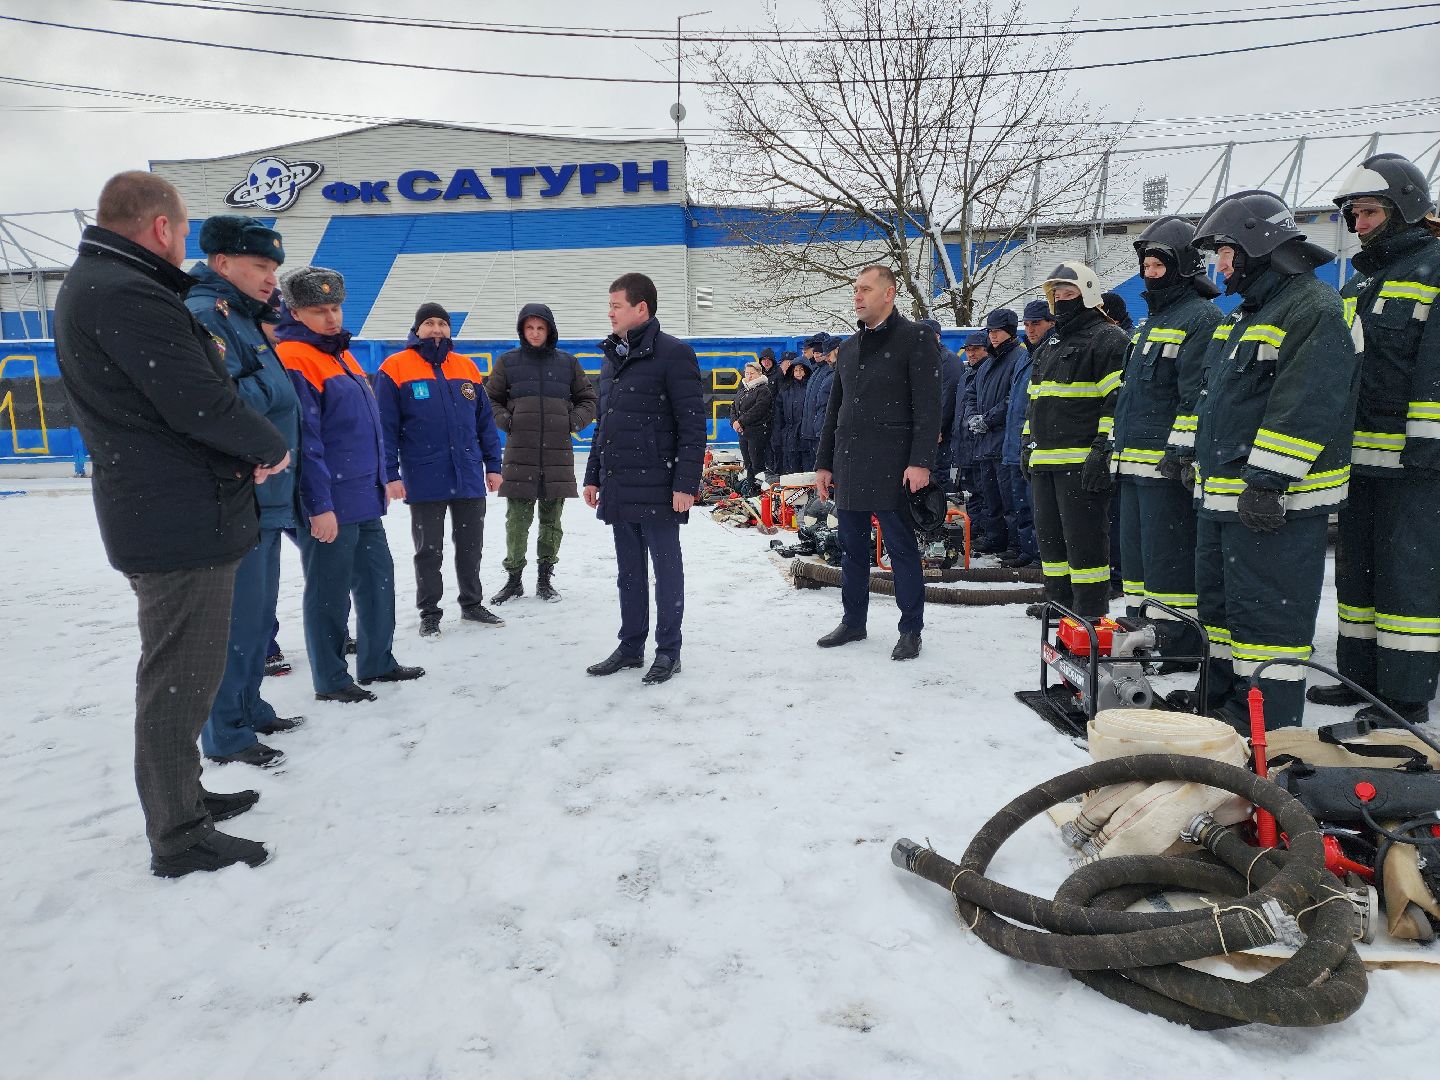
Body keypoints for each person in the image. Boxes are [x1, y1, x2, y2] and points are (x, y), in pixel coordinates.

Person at [54, 171, 290, 877]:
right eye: (183, 231)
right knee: (178, 680)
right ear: (161, 228)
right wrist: (268, 447)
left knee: (187, 673)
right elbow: (199, 403)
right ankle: (179, 834)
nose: (184, 242)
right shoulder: (126, 293)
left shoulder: (102, 284)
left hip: (170, 506)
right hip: (175, 517)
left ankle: (183, 797)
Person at [1190, 189, 1361, 730]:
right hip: (1227, 497)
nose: (1220, 266)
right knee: (1221, 615)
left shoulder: (1313, 308)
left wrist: (1268, 480)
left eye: (1225, 252)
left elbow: (1306, 404)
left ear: (1257, 246)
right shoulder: (1251, 313)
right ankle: (1222, 701)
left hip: (1275, 501)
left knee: (1268, 618)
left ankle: (1268, 719)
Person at [1307, 155, 1440, 727]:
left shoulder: (1435, 271)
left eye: (1367, 212)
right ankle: (1361, 675)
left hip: (1415, 464)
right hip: (1358, 458)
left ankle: (1406, 696)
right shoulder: (1362, 281)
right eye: (1354, 214)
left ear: (1404, 208)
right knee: (1357, 572)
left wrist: (1428, 447)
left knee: (1406, 578)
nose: (1357, 225)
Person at [275, 266, 425, 703]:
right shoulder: (294, 358)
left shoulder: (341, 354)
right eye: (319, 311)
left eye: (336, 308)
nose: (331, 318)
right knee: (328, 592)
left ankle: (377, 660)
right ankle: (331, 678)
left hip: (363, 495)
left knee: (378, 581)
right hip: (331, 503)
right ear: (295, 312)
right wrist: (318, 504)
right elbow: (306, 441)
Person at [187, 215, 305, 769]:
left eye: (273, 268)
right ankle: (226, 732)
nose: (269, 278)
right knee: (236, 620)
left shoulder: (248, 318)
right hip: (242, 492)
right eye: (259, 266)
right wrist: (275, 384)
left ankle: (250, 706)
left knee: (258, 616)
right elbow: (221, 400)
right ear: (222, 263)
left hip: (268, 492)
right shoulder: (210, 314)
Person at [583, 272, 705, 685]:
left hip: (659, 485)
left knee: (666, 571)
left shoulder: (674, 354)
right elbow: (606, 422)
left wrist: (686, 484)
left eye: (616, 305)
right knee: (629, 573)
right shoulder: (612, 357)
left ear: (641, 309)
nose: (610, 312)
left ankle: (668, 651)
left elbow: (692, 426)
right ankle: (631, 645)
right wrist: (593, 474)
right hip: (619, 485)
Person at [815, 265, 941, 661]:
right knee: (851, 549)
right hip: (850, 464)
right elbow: (835, 411)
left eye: (866, 289)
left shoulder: (914, 338)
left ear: (889, 293)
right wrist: (824, 464)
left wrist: (920, 461)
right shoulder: (849, 348)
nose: (858, 295)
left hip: (894, 465)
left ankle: (910, 629)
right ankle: (853, 622)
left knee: (901, 550)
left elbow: (929, 406)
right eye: (856, 289)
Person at [1113, 217, 1223, 649]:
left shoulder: (1201, 318)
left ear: (1183, 266)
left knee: (1169, 562)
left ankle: (1176, 641)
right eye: (1146, 265)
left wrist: (1180, 451)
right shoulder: (1150, 323)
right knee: (1138, 562)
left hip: (1164, 465)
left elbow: (1194, 395)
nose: (1149, 273)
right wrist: (1110, 447)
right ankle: (1141, 629)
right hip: (1134, 464)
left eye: (1158, 265)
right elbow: (1130, 396)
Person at [376, 302, 506, 636]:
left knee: (470, 546)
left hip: (467, 474)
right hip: (424, 475)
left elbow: (485, 423)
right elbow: (385, 429)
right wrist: (391, 473)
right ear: (417, 329)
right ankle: (430, 612)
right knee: (428, 550)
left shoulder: (467, 367)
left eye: (443, 324)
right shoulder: (395, 367)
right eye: (430, 323)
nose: (436, 329)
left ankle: (472, 604)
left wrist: (493, 465)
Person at [1023, 262, 1128, 620]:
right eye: (1056, 295)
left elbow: (1117, 402)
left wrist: (1104, 450)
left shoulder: (1109, 339)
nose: (1061, 300)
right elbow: (1035, 399)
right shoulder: (1050, 345)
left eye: (1068, 293)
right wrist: (1027, 444)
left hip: (1081, 463)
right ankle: (1058, 602)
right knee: (1051, 544)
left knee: (1085, 546)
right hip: (1046, 462)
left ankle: (1089, 611)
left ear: (1088, 294)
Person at [484, 303, 597, 607]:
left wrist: (572, 421)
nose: (535, 333)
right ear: (522, 330)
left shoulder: (567, 363)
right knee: (516, 521)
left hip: (557, 456)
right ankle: (514, 581)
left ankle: (545, 579)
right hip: (520, 455)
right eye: (529, 328)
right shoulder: (507, 363)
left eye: (540, 328)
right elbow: (489, 400)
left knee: (552, 521)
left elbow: (589, 400)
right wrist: (509, 421)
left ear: (549, 330)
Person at [964, 309, 1023, 556]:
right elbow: (971, 395)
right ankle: (996, 539)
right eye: (990, 331)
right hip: (984, 442)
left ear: (1009, 331)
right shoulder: (988, 364)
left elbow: (1014, 398)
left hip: (1004, 442)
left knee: (1010, 498)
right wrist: (972, 417)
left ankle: (1015, 543)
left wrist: (988, 419)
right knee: (990, 497)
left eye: (997, 331)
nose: (993, 336)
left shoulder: (1019, 358)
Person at [999, 300, 1050, 570]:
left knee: (1037, 506)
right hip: (1015, 443)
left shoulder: (1049, 354)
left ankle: (1042, 556)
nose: (1030, 329)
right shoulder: (1026, 357)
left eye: (1036, 323)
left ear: (1051, 323)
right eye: (1027, 324)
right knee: (1021, 505)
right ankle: (1029, 551)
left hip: (1035, 444)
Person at [952, 331, 990, 527]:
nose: (971, 354)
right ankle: (975, 528)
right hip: (964, 444)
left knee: (985, 491)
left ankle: (985, 530)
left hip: (980, 443)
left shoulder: (986, 373)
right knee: (972, 491)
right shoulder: (966, 376)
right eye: (968, 350)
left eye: (975, 349)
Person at [924, 319, 964, 492]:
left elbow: (949, 396)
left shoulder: (948, 361)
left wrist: (937, 427)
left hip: (944, 433)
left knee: (942, 473)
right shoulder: (925, 361)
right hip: (927, 431)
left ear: (937, 337)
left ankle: (946, 512)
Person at [730, 360, 774, 489]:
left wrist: (741, 421)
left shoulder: (763, 390)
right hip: (743, 432)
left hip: (757, 432)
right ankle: (750, 489)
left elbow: (758, 410)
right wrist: (734, 422)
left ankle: (759, 492)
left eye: (752, 373)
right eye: (747, 373)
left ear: (759, 374)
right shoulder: (743, 390)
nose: (749, 376)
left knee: (757, 464)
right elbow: (733, 407)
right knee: (747, 464)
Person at [799, 334, 837, 470]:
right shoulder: (816, 371)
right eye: (814, 352)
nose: (816, 355)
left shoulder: (831, 372)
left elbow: (825, 405)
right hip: (811, 431)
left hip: (821, 431)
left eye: (819, 352)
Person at [777, 354, 813, 474]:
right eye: (795, 370)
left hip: (807, 436)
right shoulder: (785, 389)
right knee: (792, 472)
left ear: (806, 370)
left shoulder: (811, 387)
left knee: (809, 471)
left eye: (801, 369)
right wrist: (781, 433)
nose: (798, 372)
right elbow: (779, 414)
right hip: (790, 437)